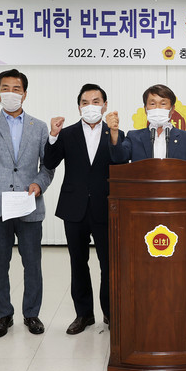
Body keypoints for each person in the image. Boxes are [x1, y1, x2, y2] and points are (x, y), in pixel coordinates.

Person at [0, 69, 54, 338]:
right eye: (5, 88)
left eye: (16, 89)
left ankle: (32, 314)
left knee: (33, 263)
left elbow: (48, 166)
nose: (10, 93)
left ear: (24, 94)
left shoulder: (39, 126)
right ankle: (3, 315)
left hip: (28, 204)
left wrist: (39, 184)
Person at [44, 84, 118, 335]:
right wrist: (53, 136)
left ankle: (110, 312)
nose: (90, 106)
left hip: (105, 207)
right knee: (78, 262)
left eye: (96, 101)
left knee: (109, 264)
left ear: (105, 105)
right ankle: (84, 314)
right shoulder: (67, 134)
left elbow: (120, 161)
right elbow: (50, 162)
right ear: (78, 107)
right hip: (74, 208)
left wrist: (115, 134)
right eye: (85, 102)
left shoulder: (115, 133)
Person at [107, 84, 186, 163]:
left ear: (172, 109)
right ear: (145, 109)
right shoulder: (134, 137)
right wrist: (114, 132)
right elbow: (118, 158)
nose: (157, 108)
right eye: (152, 104)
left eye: (163, 104)